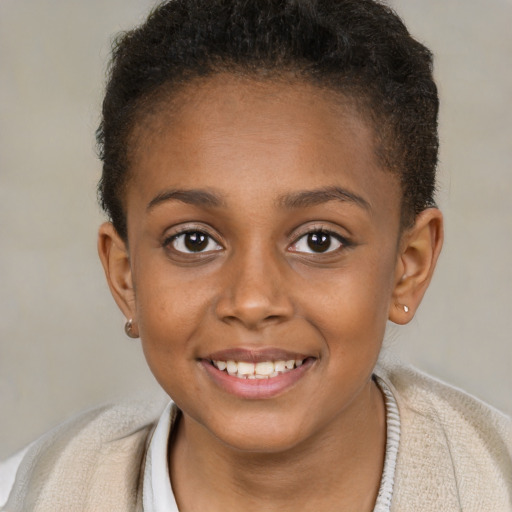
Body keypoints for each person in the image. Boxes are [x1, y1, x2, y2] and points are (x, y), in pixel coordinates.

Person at [1, 0, 511, 510]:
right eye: (193, 240)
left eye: (319, 240)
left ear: (409, 265)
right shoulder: (28, 493)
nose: (251, 301)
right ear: (126, 274)